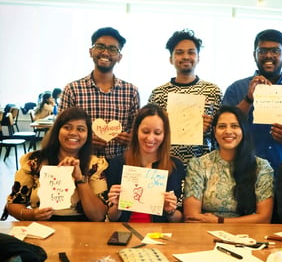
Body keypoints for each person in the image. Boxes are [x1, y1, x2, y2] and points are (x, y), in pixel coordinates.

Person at [223, 29, 282, 172]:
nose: (268, 56)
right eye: (262, 51)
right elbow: (223, 130)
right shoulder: (236, 89)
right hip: (244, 172)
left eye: (275, 51)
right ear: (254, 55)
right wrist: (248, 99)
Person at [2, 107, 109, 222]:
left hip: (82, 230)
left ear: (88, 135)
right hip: (42, 228)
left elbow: (98, 216)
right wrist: (32, 214)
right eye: (67, 127)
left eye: (81, 129)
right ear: (57, 131)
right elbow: (12, 205)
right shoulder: (34, 161)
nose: (73, 133)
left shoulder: (95, 165)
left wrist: (80, 179)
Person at [59, 27, 140, 160]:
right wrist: (84, 142)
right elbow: (62, 131)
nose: (105, 52)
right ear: (91, 52)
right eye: (100, 46)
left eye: (112, 49)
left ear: (119, 57)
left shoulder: (131, 91)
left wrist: (131, 138)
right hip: (82, 163)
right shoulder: (72, 89)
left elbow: (136, 130)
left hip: (119, 164)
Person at [183, 105, 274, 223]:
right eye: (222, 126)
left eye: (235, 126)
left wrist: (220, 221)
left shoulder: (261, 167)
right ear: (214, 132)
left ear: (243, 130)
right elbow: (192, 217)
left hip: (249, 235)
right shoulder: (198, 165)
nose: (228, 131)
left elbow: (264, 218)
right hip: (206, 233)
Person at [148, 29, 222, 164]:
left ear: (198, 57)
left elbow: (222, 132)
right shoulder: (158, 94)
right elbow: (150, 134)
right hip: (167, 164)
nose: (186, 57)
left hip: (203, 166)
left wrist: (210, 127)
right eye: (179, 52)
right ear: (171, 59)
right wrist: (162, 125)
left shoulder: (213, 91)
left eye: (191, 52)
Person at [106, 103, 185, 223]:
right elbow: (112, 217)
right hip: (125, 231)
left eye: (157, 133)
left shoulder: (176, 166)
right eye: (145, 131)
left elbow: (178, 219)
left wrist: (170, 211)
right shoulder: (118, 163)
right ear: (136, 131)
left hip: (160, 234)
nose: (150, 138)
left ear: (165, 135)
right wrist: (116, 206)